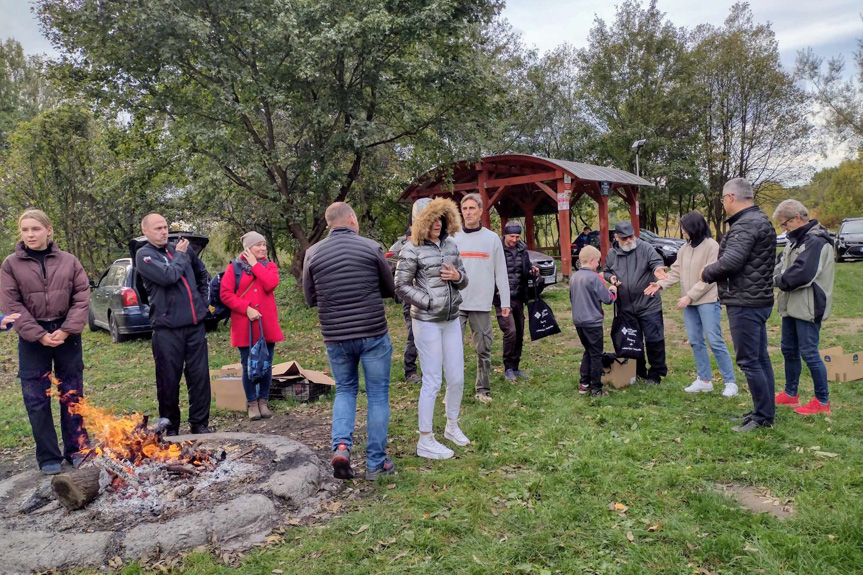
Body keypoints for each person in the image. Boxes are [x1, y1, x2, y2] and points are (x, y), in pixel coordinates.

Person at [303, 202, 397, 481]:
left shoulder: (312, 253)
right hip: (372, 333)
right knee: (378, 395)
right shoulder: (370, 247)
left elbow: (309, 298)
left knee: (345, 390)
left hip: (336, 336)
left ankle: (342, 447)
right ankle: (376, 463)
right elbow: (390, 288)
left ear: (329, 223)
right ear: (352, 219)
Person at [0, 210, 90, 474]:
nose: (30, 235)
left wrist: (65, 330)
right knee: (36, 399)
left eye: (35, 229)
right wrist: (38, 334)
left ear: (49, 230)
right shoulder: (10, 265)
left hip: (67, 335)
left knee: (72, 394)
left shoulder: (69, 261)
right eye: (25, 230)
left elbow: (82, 297)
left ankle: (77, 448)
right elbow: (10, 303)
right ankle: (48, 455)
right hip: (31, 337)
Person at [395, 197, 470, 460]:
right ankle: (425, 440)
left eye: (441, 217)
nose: (438, 223)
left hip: (451, 319)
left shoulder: (451, 244)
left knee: (457, 377)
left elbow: (464, 278)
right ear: (421, 221)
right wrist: (428, 302)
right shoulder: (411, 249)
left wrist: (457, 277)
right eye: (432, 218)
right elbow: (401, 285)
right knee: (432, 380)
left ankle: (451, 426)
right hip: (426, 322)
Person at [701, 178, 777, 432]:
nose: (723, 204)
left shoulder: (745, 225)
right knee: (760, 357)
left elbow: (731, 262)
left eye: (723, 199)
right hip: (757, 298)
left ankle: (762, 417)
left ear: (731, 197)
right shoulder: (760, 220)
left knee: (749, 361)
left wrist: (707, 272)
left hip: (746, 301)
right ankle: (763, 411)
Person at [644, 212, 738, 397]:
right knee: (695, 341)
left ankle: (730, 382)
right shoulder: (684, 248)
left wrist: (689, 296)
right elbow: (676, 271)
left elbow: (711, 276)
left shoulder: (712, 246)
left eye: (684, 227)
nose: (682, 231)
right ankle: (704, 380)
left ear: (694, 227)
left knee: (715, 340)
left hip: (707, 300)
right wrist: (660, 284)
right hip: (689, 302)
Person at [135, 214, 212, 436]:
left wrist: (203, 302)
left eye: (165, 227)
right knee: (168, 379)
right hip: (167, 329)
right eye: (158, 228)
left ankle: (200, 423)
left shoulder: (181, 250)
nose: (163, 231)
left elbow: (201, 273)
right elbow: (169, 276)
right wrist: (180, 255)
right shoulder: (145, 256)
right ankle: (171, 426)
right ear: (146, 231)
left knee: (199, 376)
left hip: (194, 325)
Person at [772, 199, 835, 415]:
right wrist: (772, 276)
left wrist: (776, 280)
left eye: (785, 223)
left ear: (798, 218)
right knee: (788, 350)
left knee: (809, 352)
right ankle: (791, 394)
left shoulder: (816, 242)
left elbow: (802, 274)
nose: (784, 228)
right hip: (791, 306)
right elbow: (779, 265)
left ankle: (822, 401)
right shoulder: (794, 241)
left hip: (809, 307)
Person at [220, 231, 284, 421]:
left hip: (266, 325)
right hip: (244, 326)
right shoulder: (234, 268)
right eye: (258, 245)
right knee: (248, 364)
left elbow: (271, 284)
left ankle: (263, 401)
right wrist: (245, 309)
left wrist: (256, 266)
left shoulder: (269, 266)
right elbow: (225, 294)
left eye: (264, 244)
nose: (263, 248)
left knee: (266, 363)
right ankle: (252, 403)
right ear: (248, 248)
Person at [453, 193, 510, 403]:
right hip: (456, 303)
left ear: (480, 211)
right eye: (464, 209)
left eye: (471, 208)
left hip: (481, 303)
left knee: (483, 349)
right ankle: (453, 390)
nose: (468, 212)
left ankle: (482, 389)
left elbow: (501, 271)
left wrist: (505, 301)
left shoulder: (491, 238)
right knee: (452, 350)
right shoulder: (453, 237)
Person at [603, 221, 668, 385]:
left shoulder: (645, 248)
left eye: (631, 236)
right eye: (624, 238)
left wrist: (657, 269)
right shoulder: (612, 253)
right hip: (625, 307)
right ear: (616, 237)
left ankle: (655, 374)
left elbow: (655, 262)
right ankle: (639, 371)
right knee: (632, 341)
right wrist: (611, 277)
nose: (628, 240)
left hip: (648, 304)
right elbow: (607, 270)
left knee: (654, 339)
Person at [569, 246, 617, 397]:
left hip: (579, 321)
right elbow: (608, 299)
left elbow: (572, 298)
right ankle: (596, 389)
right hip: (593, 322)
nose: (599, 264)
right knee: (596, 355)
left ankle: (584, 384)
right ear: (591, 260)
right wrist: (613, 289)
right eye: (598, 261)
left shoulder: (574, 277)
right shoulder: (595, 277)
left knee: (588, 351)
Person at [495, 222, 538, 381]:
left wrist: (532, 270)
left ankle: (516, 367)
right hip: (502, 299)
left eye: (517, 236)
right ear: (505, 234)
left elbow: (524, 271)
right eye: (511, 236)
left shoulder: (522, 250)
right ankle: (508, 368)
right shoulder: (497, 249)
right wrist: (496, 289)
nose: (514, 239)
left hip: (519, 297)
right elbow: (489, 272)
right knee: (510, 331)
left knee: (519, 333)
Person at [389, 228, 421, 384]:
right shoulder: (403, 254)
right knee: (413, 334)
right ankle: (410, 371)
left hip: (427, 300)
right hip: (410, 300)